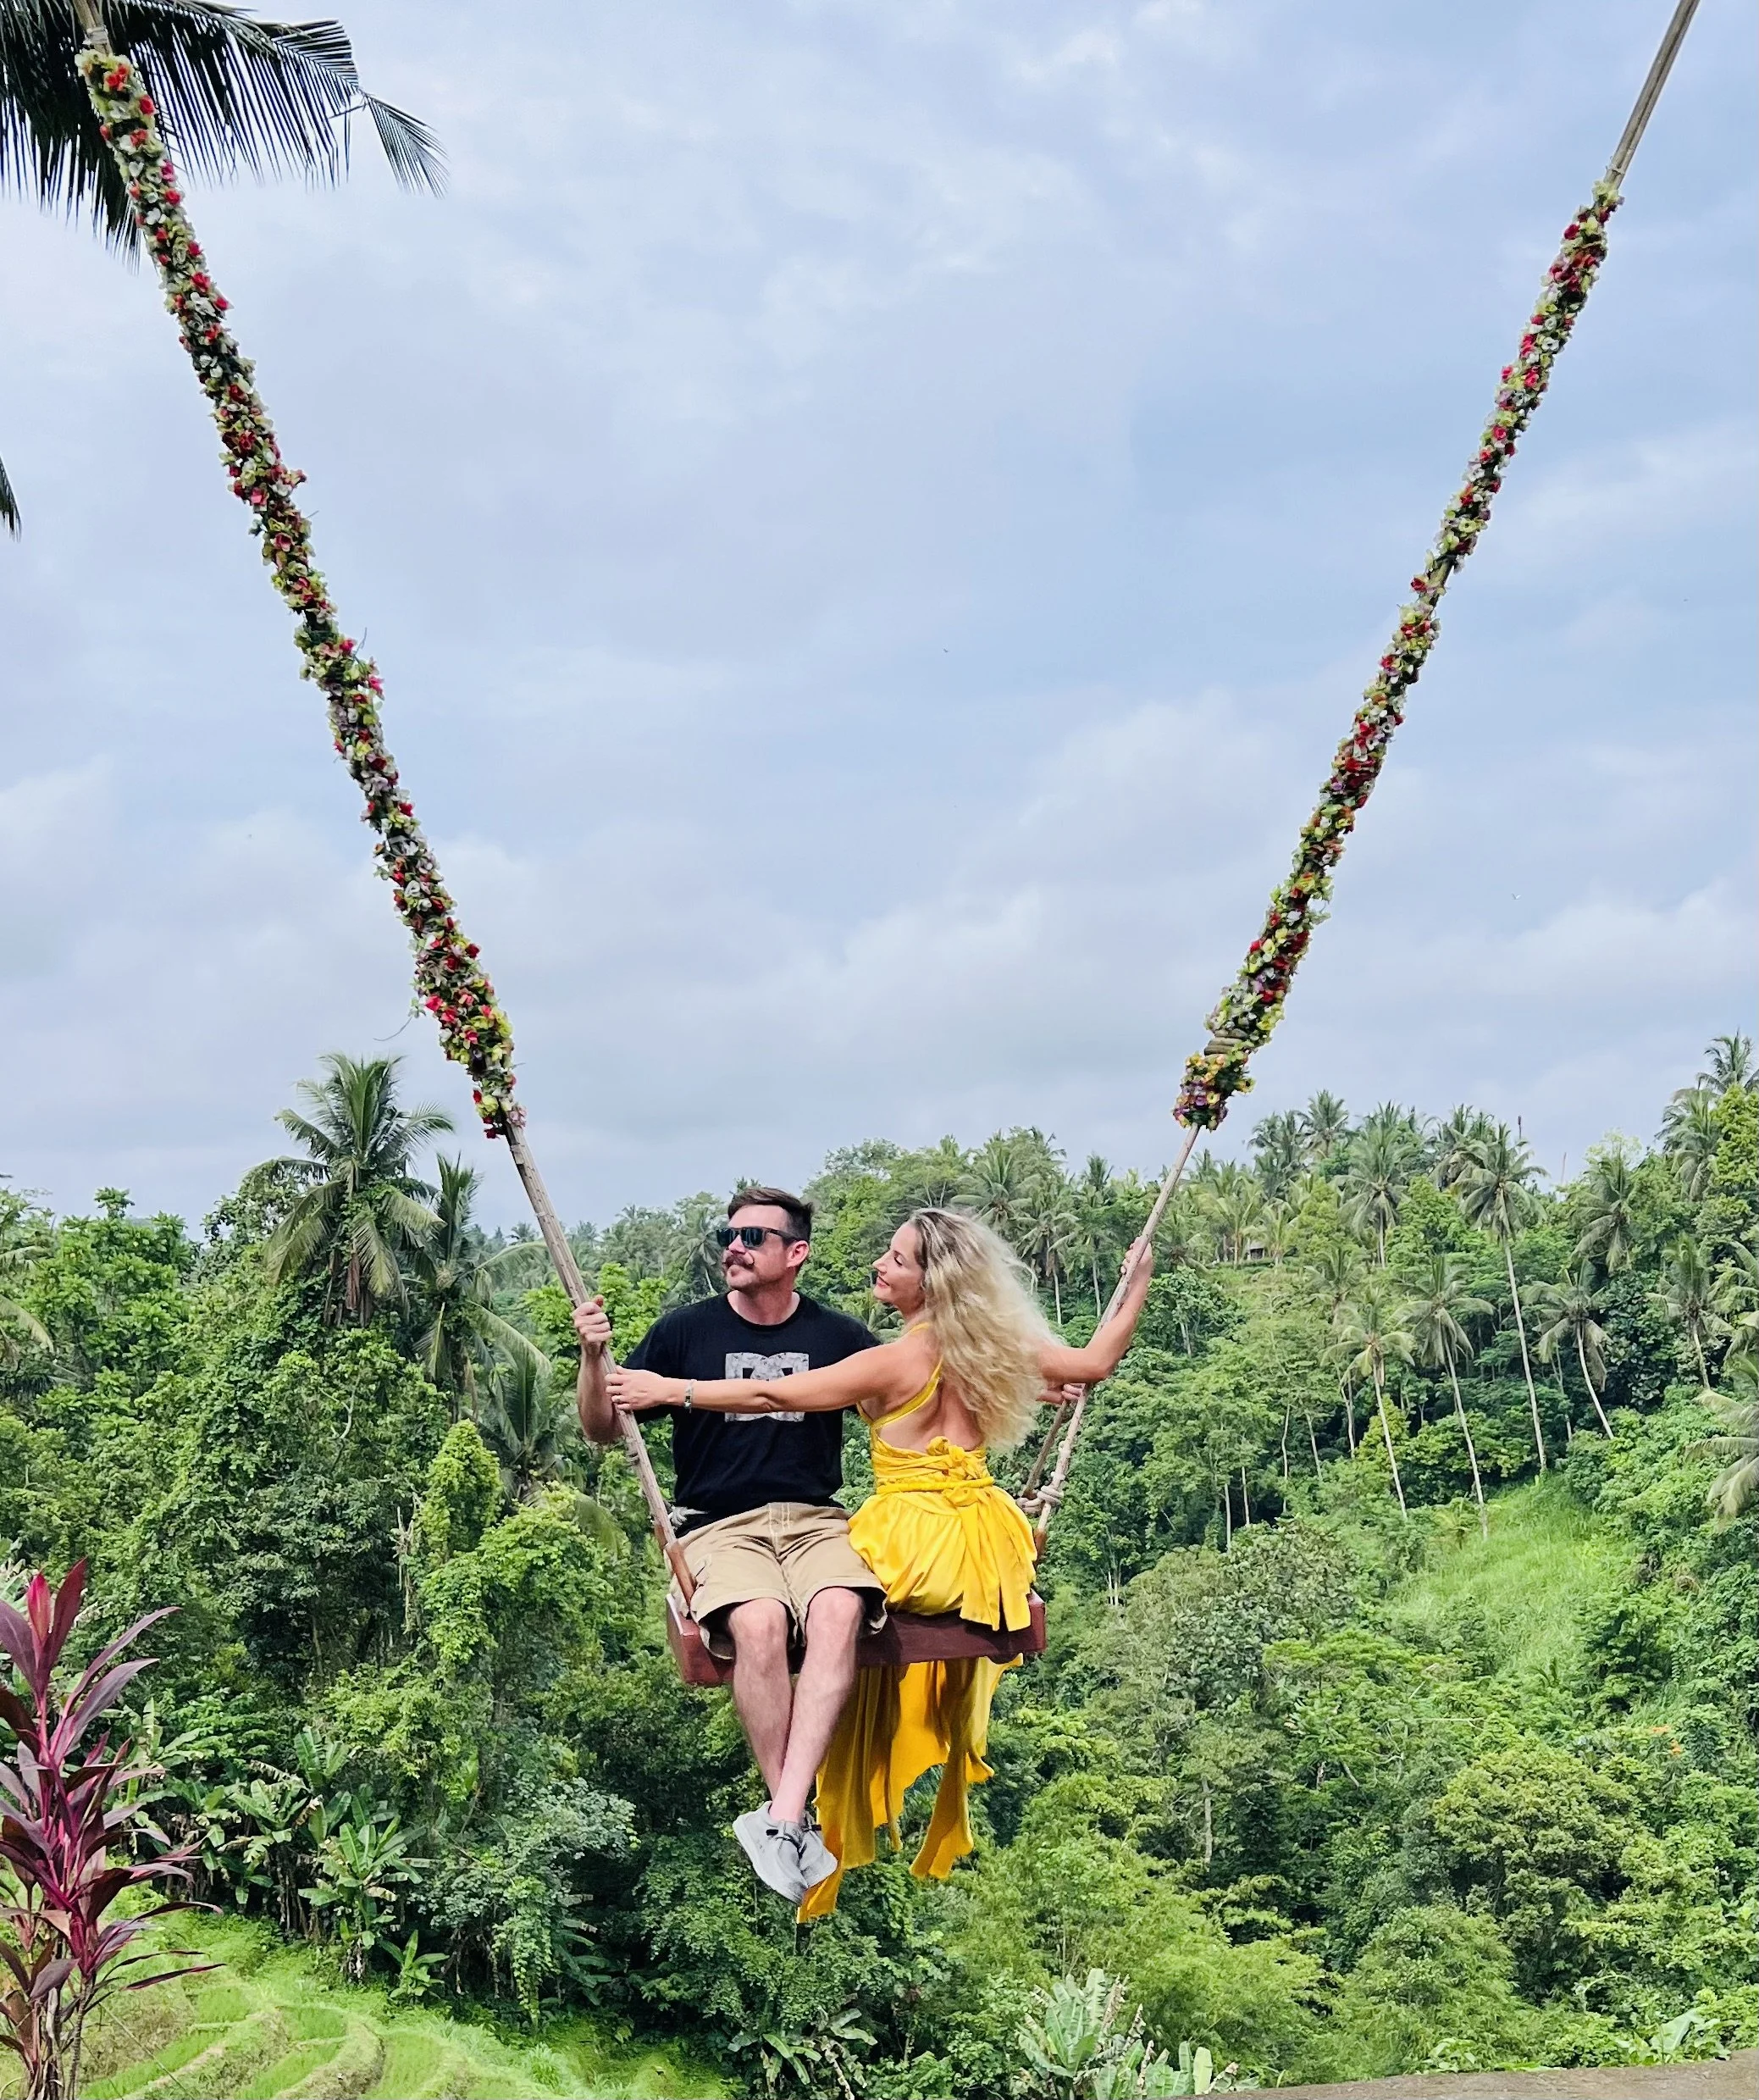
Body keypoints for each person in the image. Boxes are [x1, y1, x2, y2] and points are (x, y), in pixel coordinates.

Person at [607, 1206, 1154, 1914]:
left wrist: (672, 1390)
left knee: (802, 1606)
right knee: (833, 1606)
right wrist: (1135, 1281)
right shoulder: (991, 1345)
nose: (879, 1266)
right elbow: (1095, 1362)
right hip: (990, 1548)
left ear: (931, 1281)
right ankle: (791, 1812)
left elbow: (772, 1391)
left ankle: (789, 1807)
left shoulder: (890, 1358)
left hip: (915, 1545)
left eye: (894, 1259)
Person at [573, 1185, 884, 1904]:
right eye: (729, 1233)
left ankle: (778, 1819)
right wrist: (594, 1358)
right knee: (759, 1622)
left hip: (816, 1518)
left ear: (795, 1253)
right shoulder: (685, 1331)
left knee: (839, 1610)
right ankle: (792, 1815)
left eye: (752, 1236)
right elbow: (599, 1425)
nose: (733, 1247)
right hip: (720, 1523)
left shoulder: (839, 1336)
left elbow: (904, 1397)